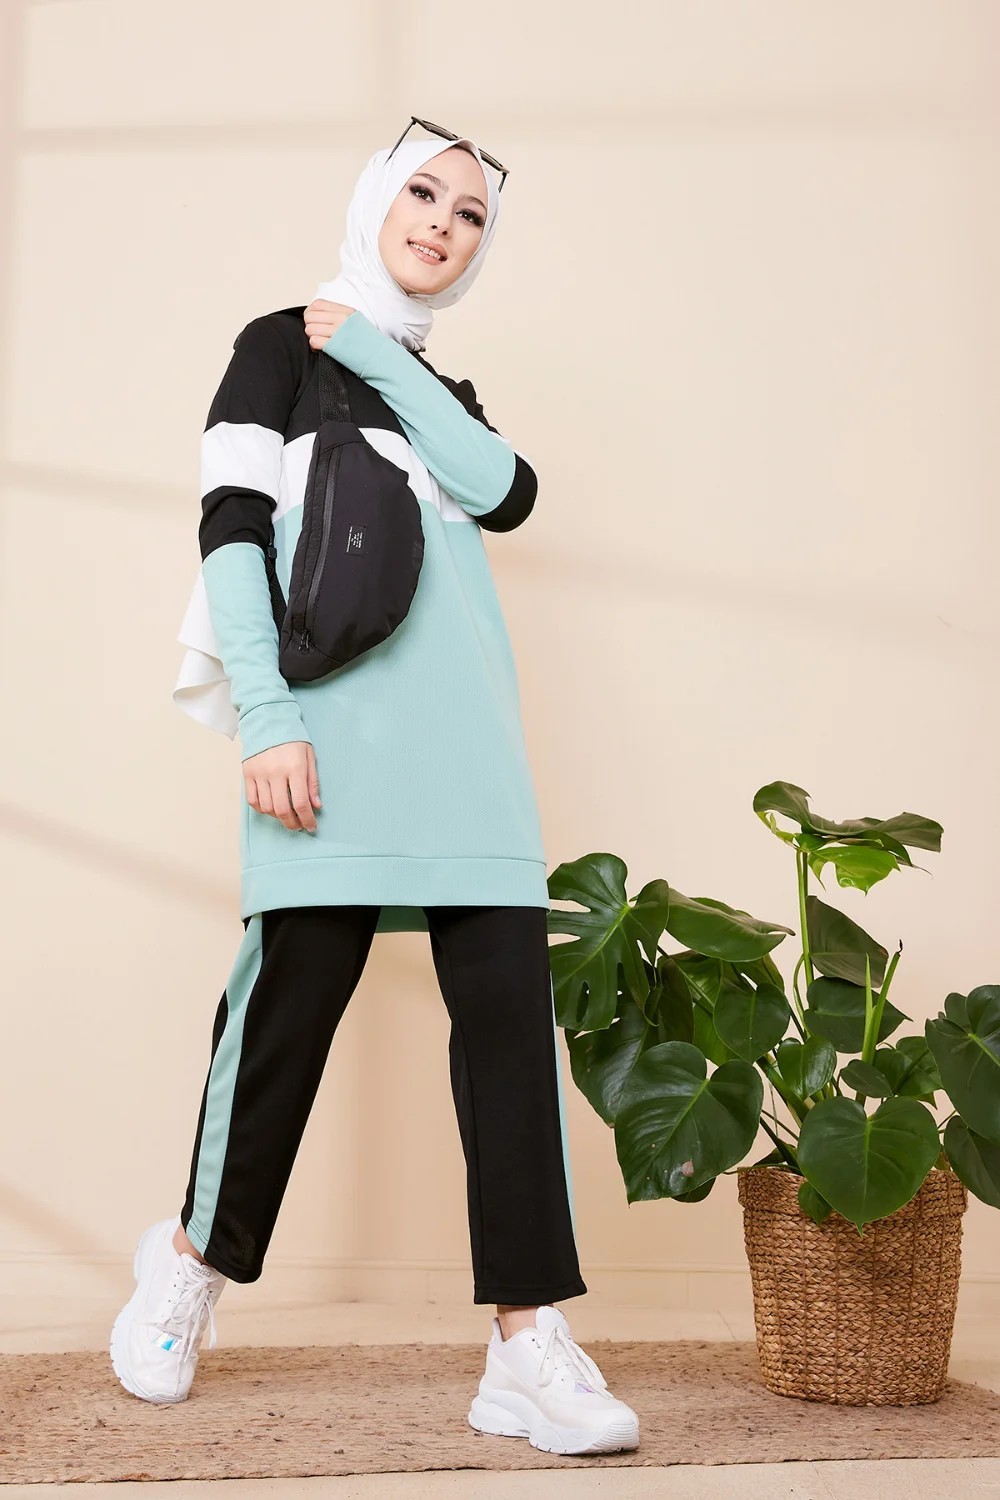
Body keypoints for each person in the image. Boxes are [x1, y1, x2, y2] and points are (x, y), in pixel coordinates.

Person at [109, 120, 640, 1458]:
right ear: (374, 199)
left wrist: (383, 356)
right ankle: (189, 1263)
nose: (442, 225)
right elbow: (231, 531)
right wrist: (265, 716)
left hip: (473, 758)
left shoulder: (434, 387)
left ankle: (525, 1346)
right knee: (285, 1017)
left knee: (507, 1034)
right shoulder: (276, 347)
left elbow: (506, 492)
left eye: (471, 215)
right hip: (331, 746)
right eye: (422, 193)